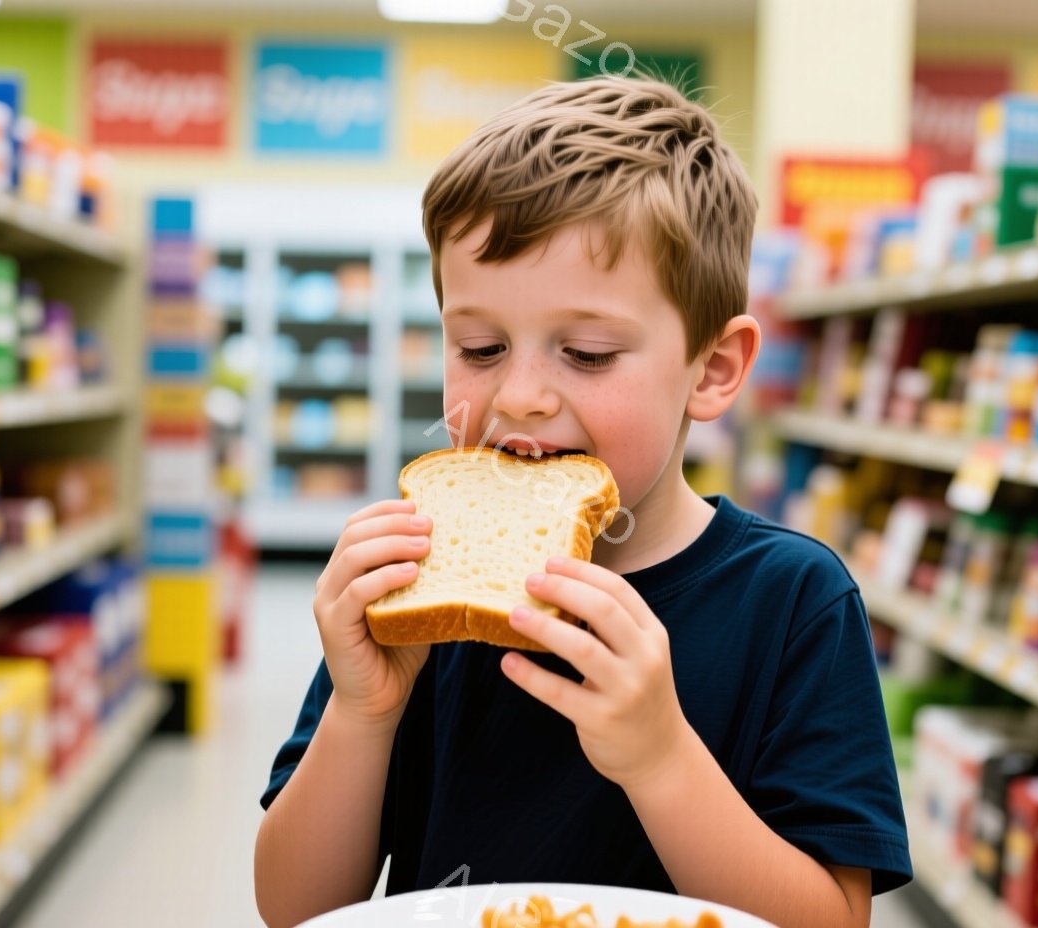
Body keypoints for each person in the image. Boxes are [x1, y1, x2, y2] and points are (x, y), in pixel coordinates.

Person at [253, 76, 910, 928]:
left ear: (712, 370)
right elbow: (293, 907)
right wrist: (361, 709)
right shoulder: (421, 585)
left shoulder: (793, 601)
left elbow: (831, 920)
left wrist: (661, 757)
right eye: (480, 347)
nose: (520, 394)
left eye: (589, 353)